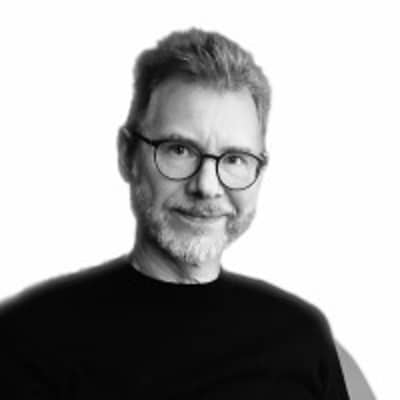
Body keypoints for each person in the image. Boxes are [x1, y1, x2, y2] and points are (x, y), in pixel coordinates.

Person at [0, 27, 372, 399]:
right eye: (179, 150)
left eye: (235, 159)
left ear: (259, 171)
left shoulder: (301, 335)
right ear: (128, 155)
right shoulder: (32, 336)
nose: (207, 186)